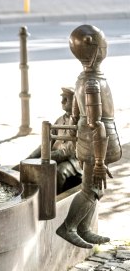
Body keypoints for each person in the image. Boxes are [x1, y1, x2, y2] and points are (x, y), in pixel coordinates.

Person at [56, 24, 122, 249]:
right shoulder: (92, 82)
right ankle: (69, 226)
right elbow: (97, 125)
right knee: (90, 188)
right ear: (95, 49)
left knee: (97, 188)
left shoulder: (82, 79)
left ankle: (84, 228)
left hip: (90, 144)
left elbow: (75, 116)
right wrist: (100, 161)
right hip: (96, 142)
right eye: (103, 42)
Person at [19, 87, 82, 193]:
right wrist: (30, 157)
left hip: (74, 160)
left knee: (59, 171)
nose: (62, 102)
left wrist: (44, 157)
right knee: (27, 167)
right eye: (62, 98)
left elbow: (68, 152)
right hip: (51, 157)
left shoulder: (80, 122)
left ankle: (54, 199)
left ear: (76, 101)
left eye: (66, 99)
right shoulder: (59, 120)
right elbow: (45, 144)